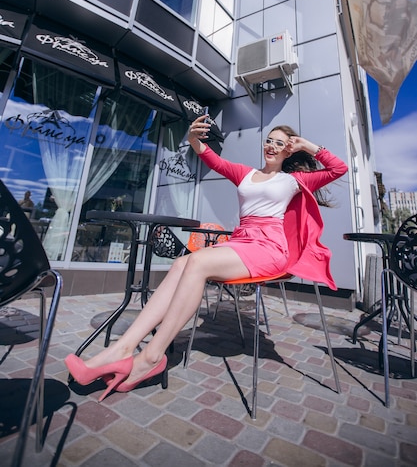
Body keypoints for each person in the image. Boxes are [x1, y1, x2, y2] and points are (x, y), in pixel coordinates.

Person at [65, 117, 348, 402]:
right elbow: (210, 158)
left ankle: (152, 356)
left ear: (289, 150)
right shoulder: (245, 174)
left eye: (279, 143)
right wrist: (192, 138)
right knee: (180, 264)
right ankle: (122, 350)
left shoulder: (294, 181)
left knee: (197, 262)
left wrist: (307, 146)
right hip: (242, 242)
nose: (271, 146)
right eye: (268, 140)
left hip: (269, 248)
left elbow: (339, 168)